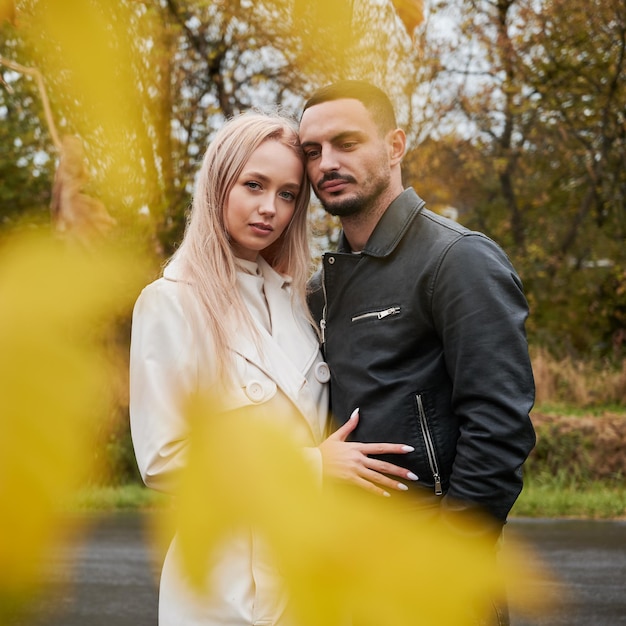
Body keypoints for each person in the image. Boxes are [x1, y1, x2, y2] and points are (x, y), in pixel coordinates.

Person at [129, 110, 415, 626]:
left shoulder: (296, 300)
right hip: (226, 588)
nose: (270, 209)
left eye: (287, 195)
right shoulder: (171, 303)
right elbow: (164, 460)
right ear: (219, 184)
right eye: (253, 185)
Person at [299, 80, 537, 625]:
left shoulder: (458, 260)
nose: (326, 163)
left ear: (395, 145)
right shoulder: (321, 287)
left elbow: (500, 426)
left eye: (346, 142)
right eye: (312, 151)